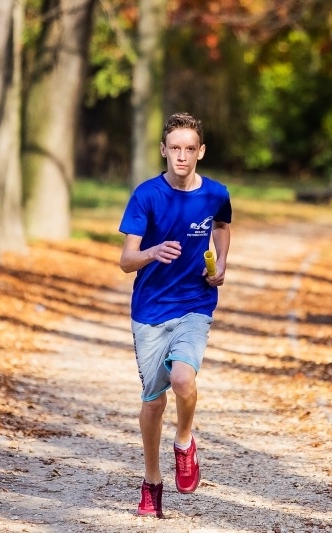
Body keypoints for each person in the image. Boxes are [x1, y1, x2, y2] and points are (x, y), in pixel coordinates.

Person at [118, 112, 232, 518]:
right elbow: (126, 260)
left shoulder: (216, 193)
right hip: (149, 310)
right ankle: (152, 482)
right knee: (153, 401)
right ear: (164, 150)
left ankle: (184, 442)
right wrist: (152, 251)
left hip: (194, 304)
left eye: (190, 149)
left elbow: (221, 226)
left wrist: (221, 263)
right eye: (175, 148)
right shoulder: (146, 195)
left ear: (201, 152)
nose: (181, 156)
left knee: (183, 379)